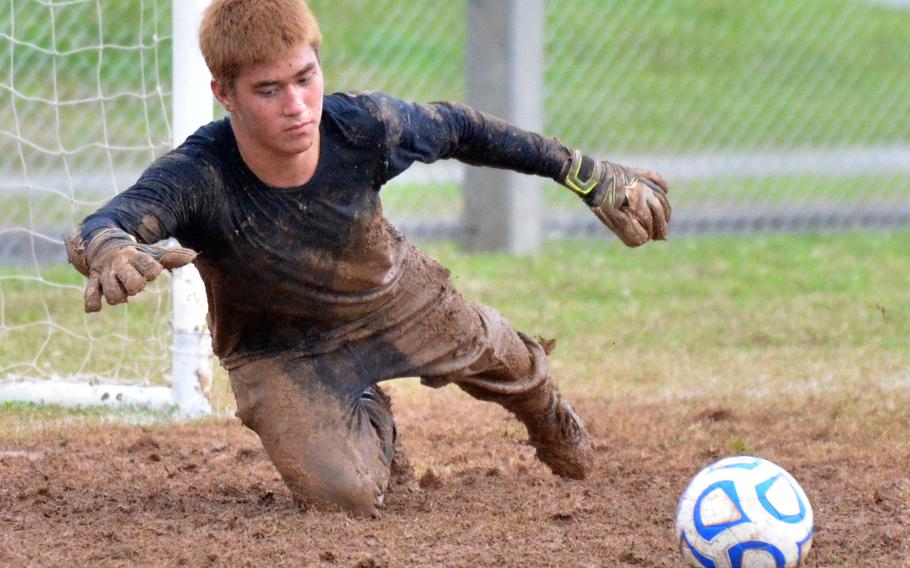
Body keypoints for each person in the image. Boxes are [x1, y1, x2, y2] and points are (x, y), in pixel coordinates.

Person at [65, 0, 671, 517]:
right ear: (225, 93)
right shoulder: (200, 174)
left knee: (511, 366)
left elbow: (462, 128)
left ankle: (550, 416)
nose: (297, 105)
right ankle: (371, 422)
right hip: (280, 353)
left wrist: (584, 173)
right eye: (269, 90)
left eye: (305, 77)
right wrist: (109, 250)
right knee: (343, 497)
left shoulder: (363, 126)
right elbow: (107, 223)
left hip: (394, 299)